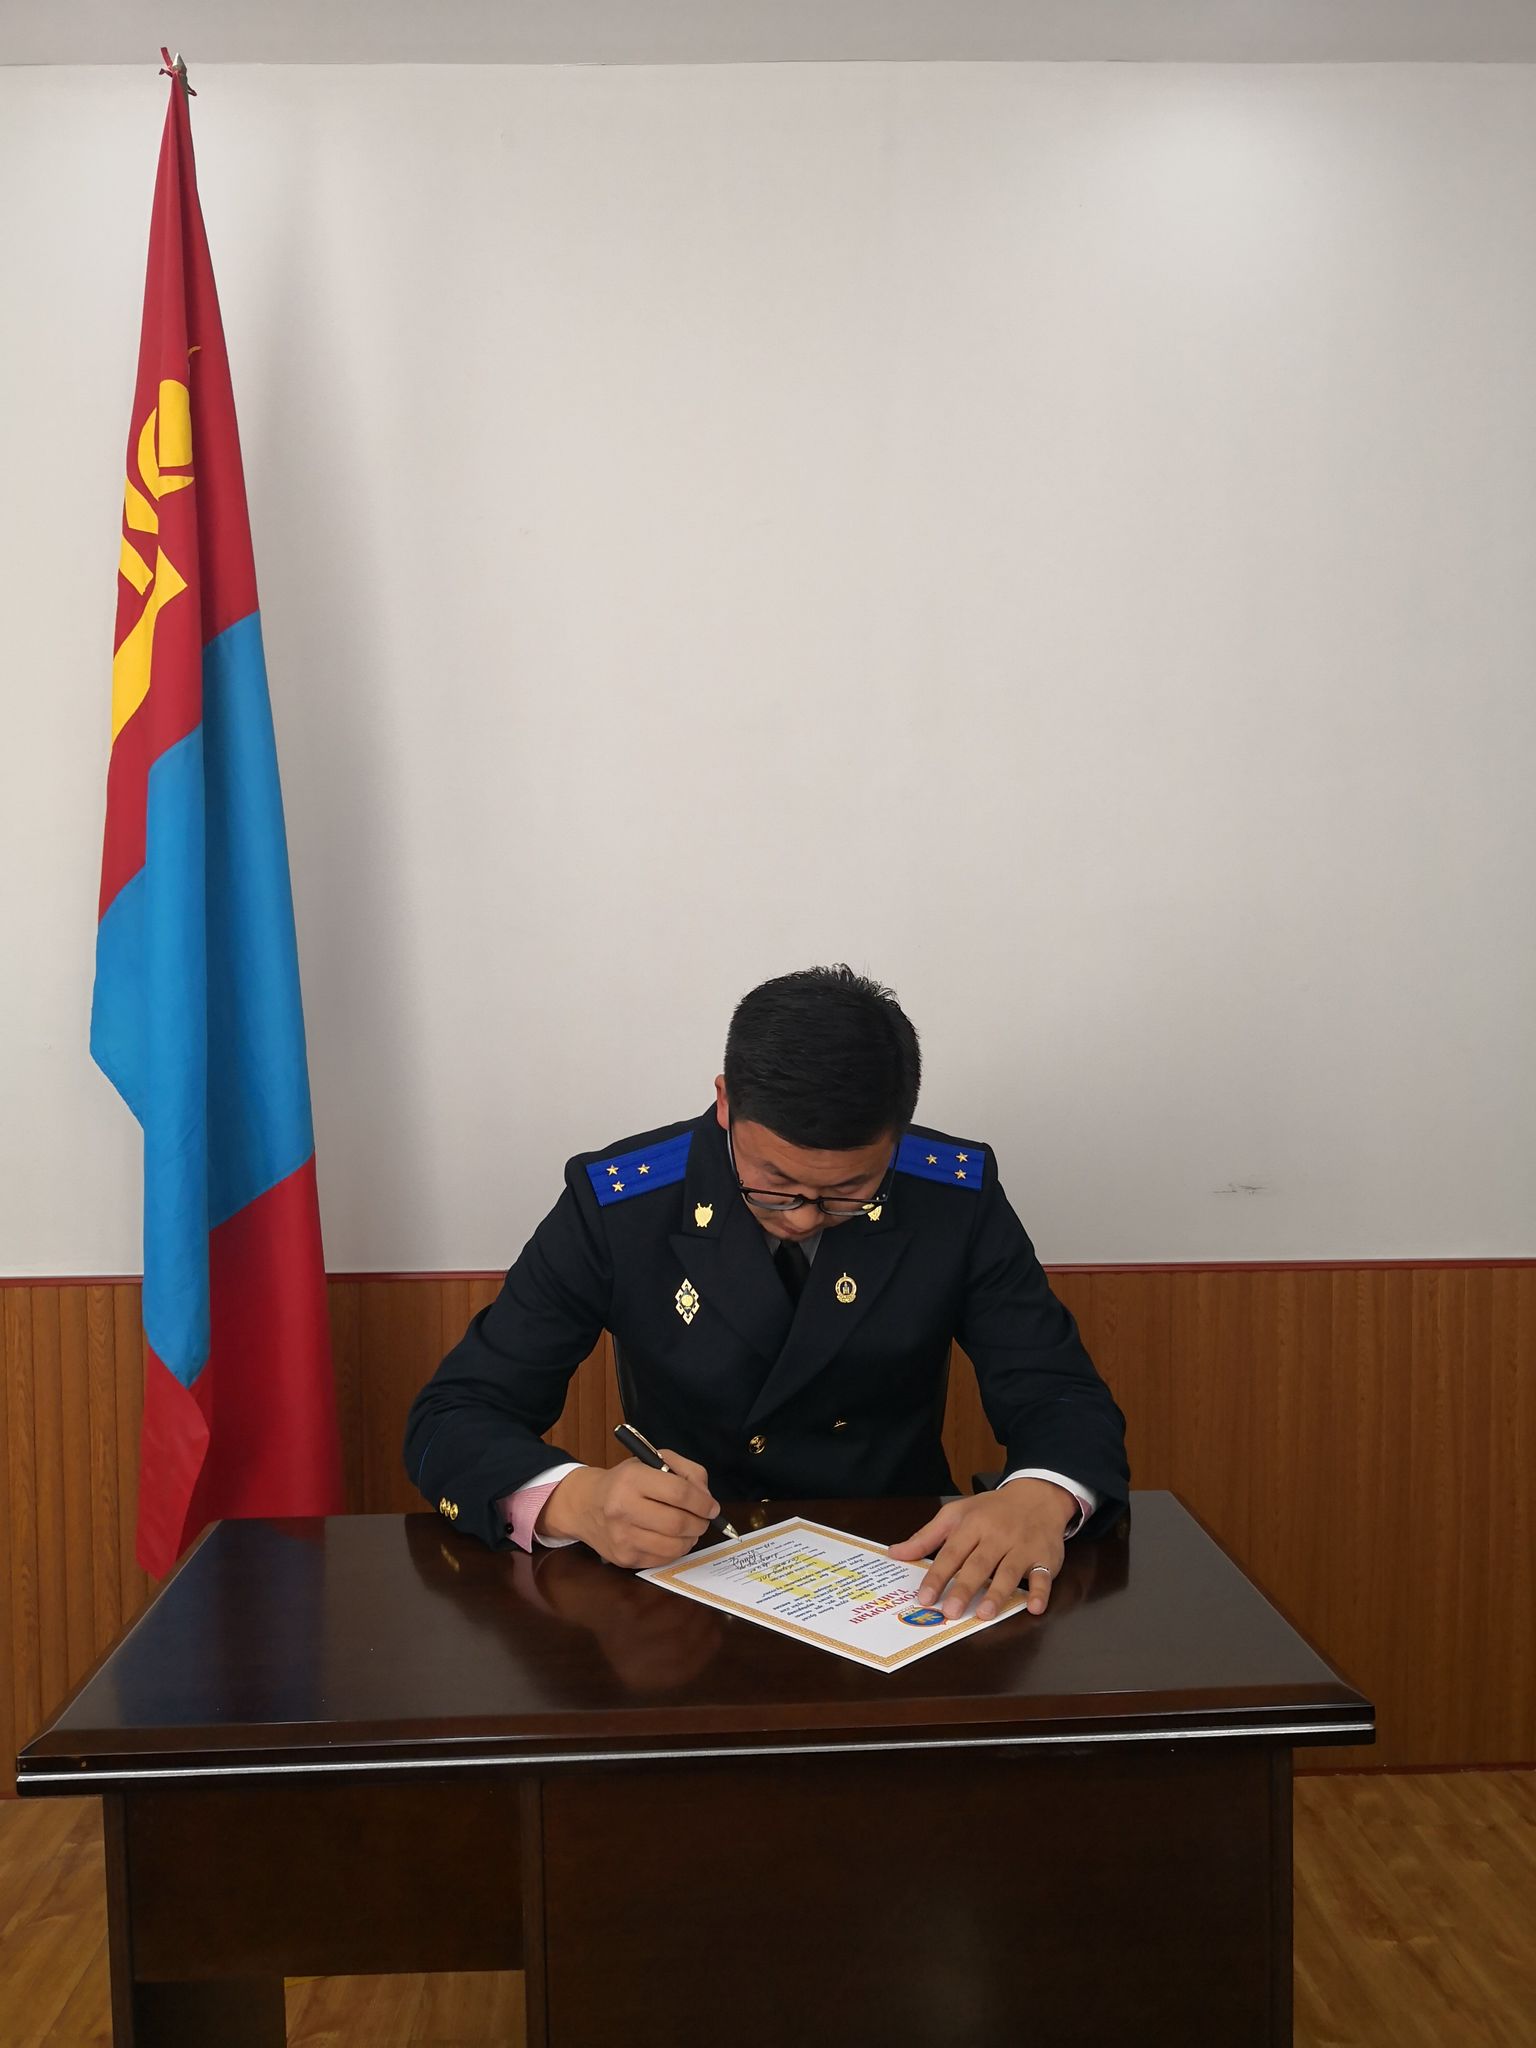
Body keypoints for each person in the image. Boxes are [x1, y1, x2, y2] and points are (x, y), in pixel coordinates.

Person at [404, 966, 1129, 1622]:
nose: (805, 1218)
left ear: (898, 1137)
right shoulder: (622, 1205)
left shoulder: (952, 1196)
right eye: (775, 1185)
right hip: (683, 1577)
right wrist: (578, 1500)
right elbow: (453, 1416)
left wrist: (1041, 1493)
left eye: (849, 1191)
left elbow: (1058, 1392)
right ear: (725, 1102)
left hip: (900, 1572)